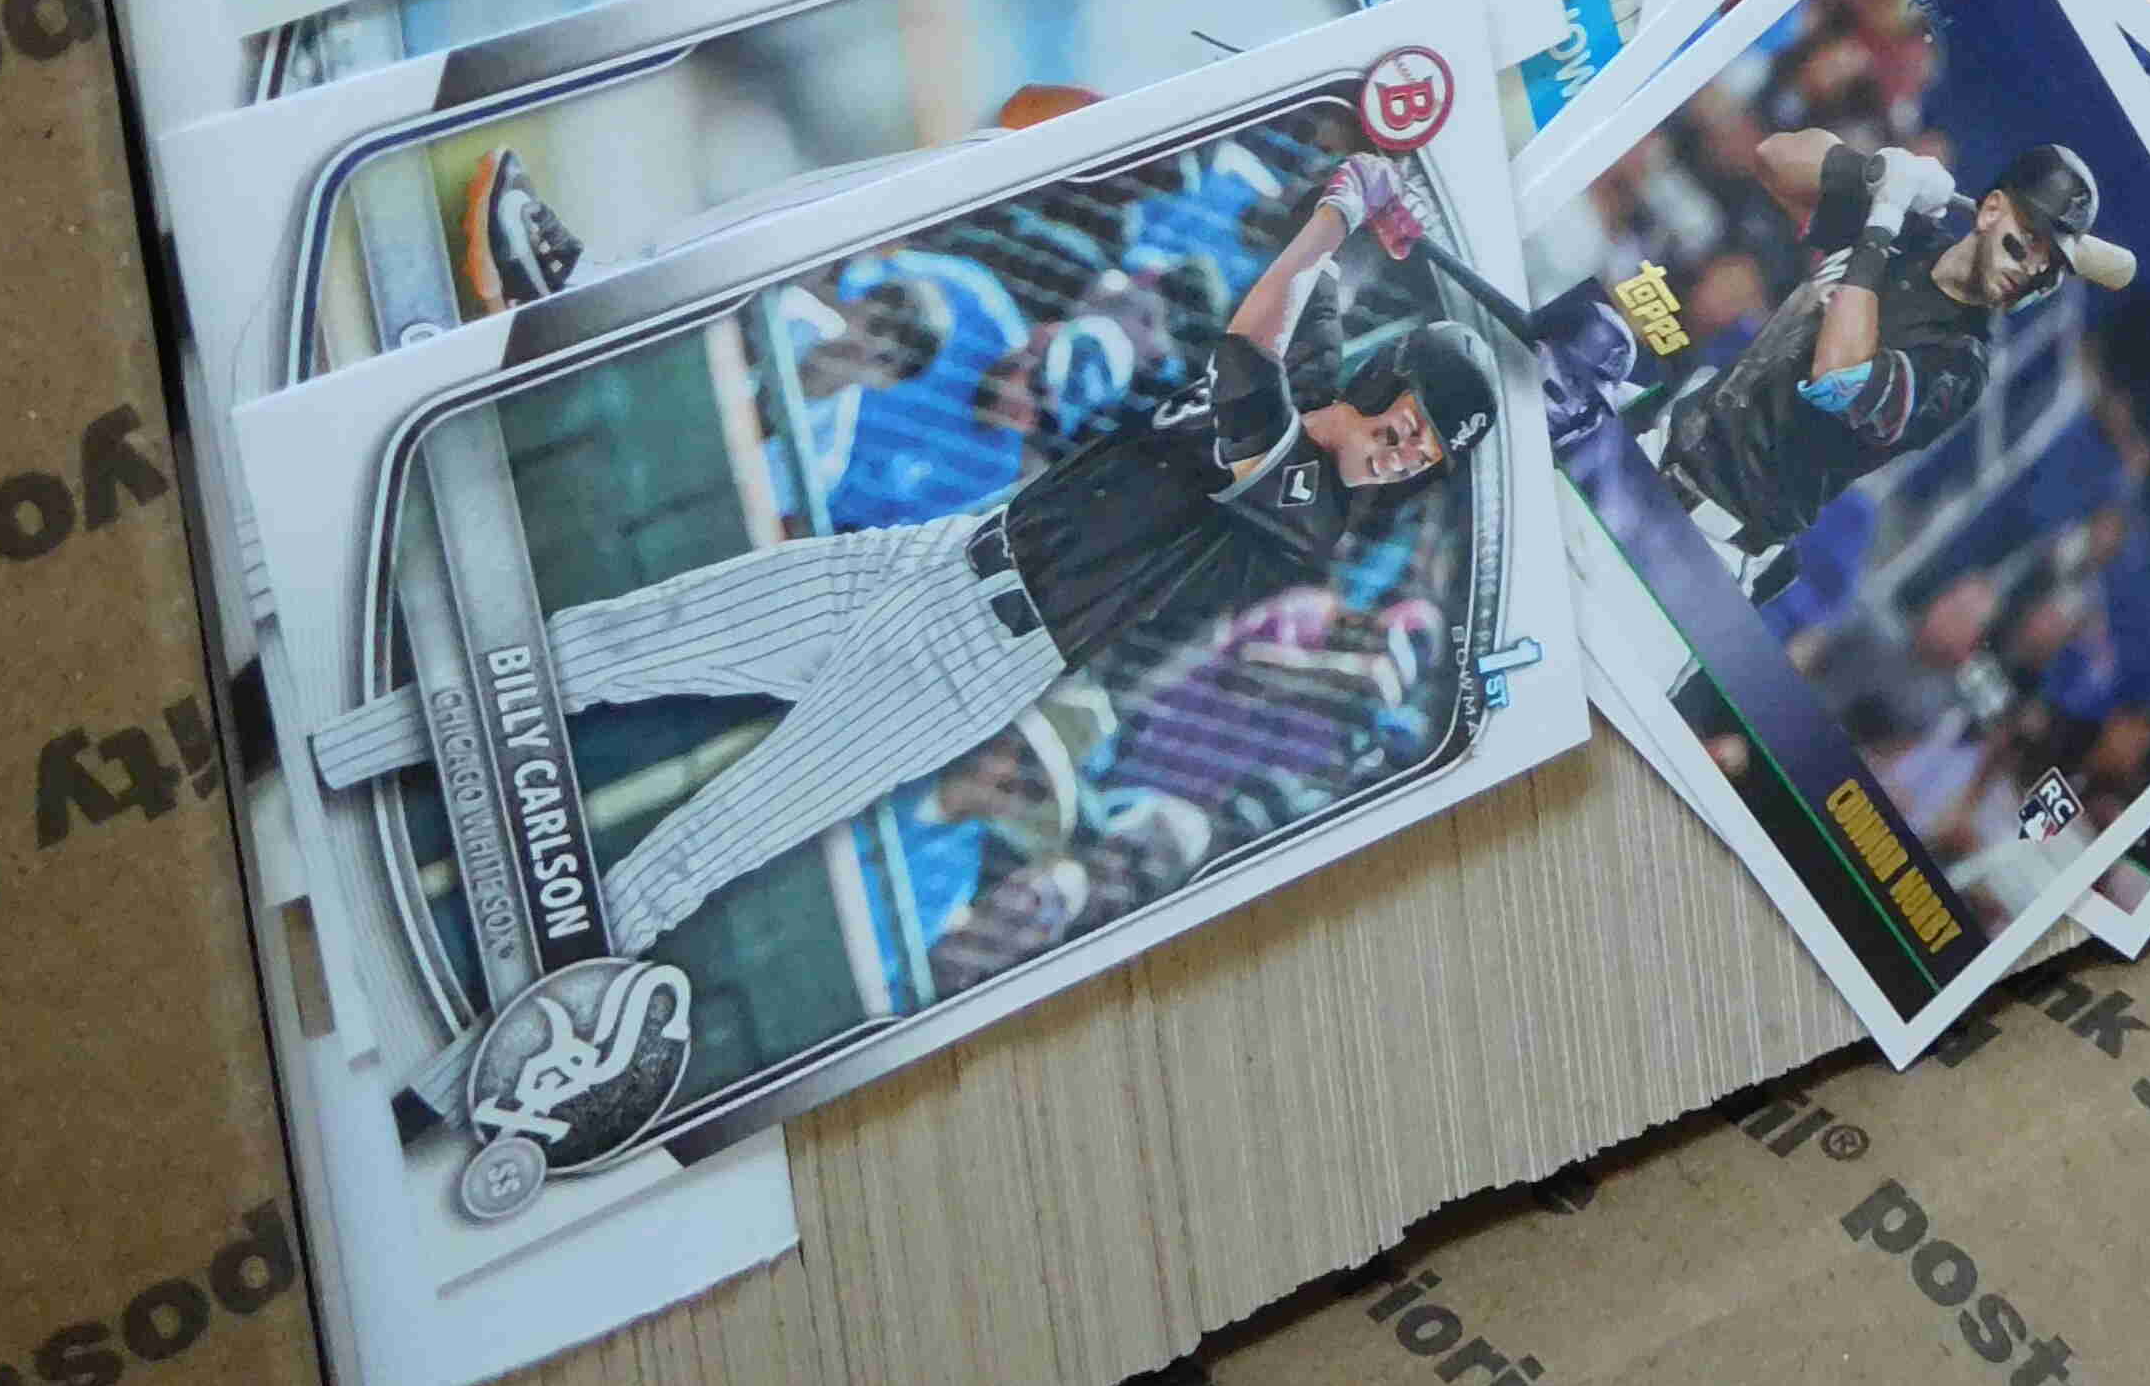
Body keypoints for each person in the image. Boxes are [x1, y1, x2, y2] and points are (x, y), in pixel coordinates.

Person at [312, 144, 1495, 1121]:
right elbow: (1304, 302)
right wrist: (1372, 204)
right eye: (1409, 426)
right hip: (942, 553)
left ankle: (460, 1093)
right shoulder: (1322, 374)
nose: (1404, 454)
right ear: (1382, 383)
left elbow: (1253, 340)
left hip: (980, 652)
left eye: (1423, 454)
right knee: (616, 640)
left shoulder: (1310, 510)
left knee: (699, 848)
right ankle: (342, 750)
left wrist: (1343, 211)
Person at [1543, 133, 2134, 600]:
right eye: (2023, 243)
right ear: (1991, 211)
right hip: (1643, 457)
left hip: (1707, 546)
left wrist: (1881, 221)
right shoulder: (1910, 234)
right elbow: (1773, 159)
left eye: (2048, 269)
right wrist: (1874, 171)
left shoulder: (1961, 364)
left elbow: (1837, 378)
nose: (2027, 270)